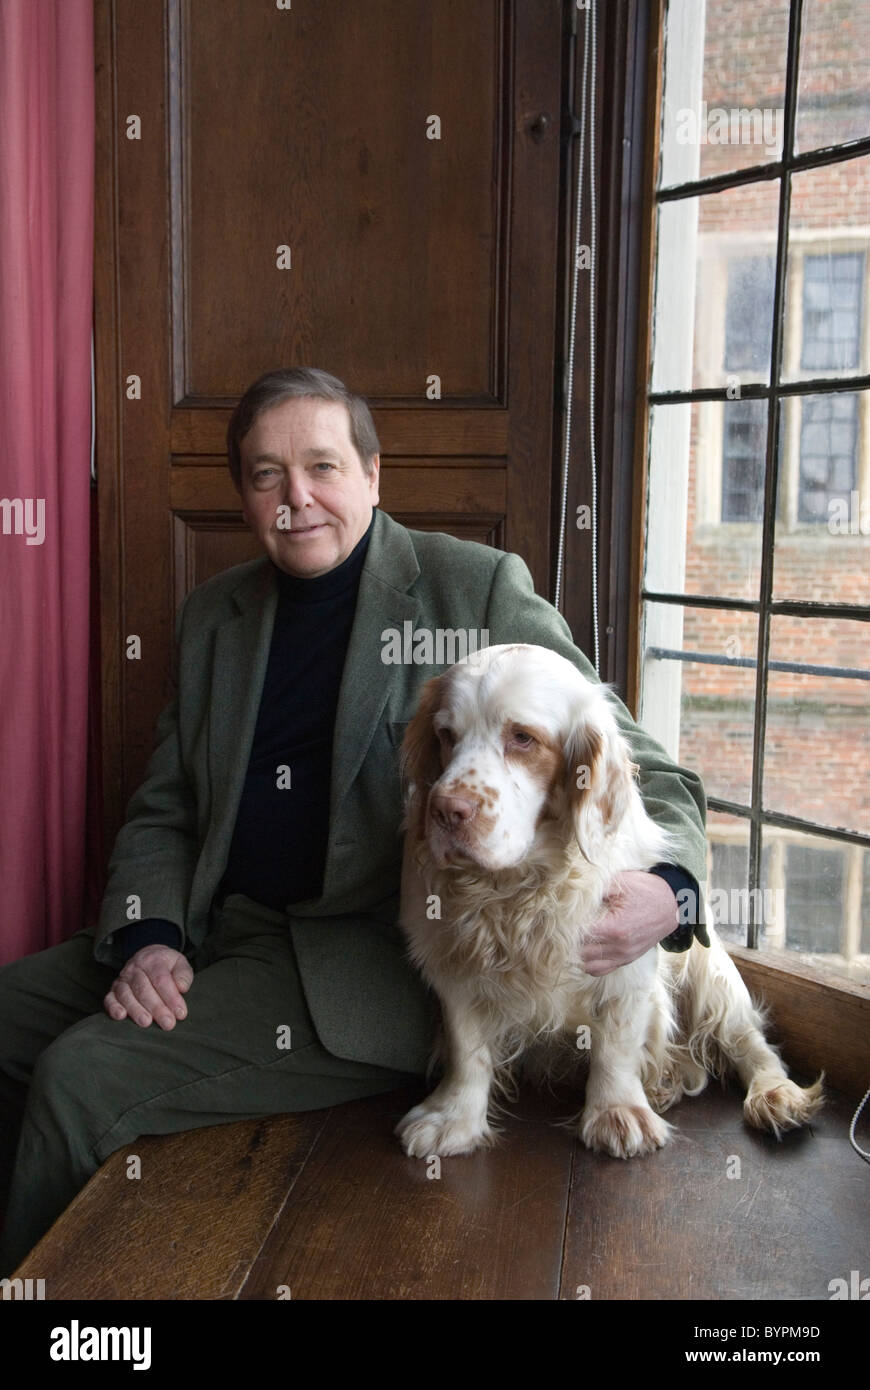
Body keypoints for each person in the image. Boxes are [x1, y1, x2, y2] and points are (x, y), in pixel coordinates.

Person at [0, 368, 708, 1277]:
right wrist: (149, 930)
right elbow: (166, 807)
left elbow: (644, 763)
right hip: (209, 928)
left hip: (353, 959)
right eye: (266, 475)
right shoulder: (214, 617)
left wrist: (672, 889)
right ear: (246, 496)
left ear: (373, 475)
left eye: (322, 467)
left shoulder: (477, 589)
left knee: (78, 1079)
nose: (297, 497)